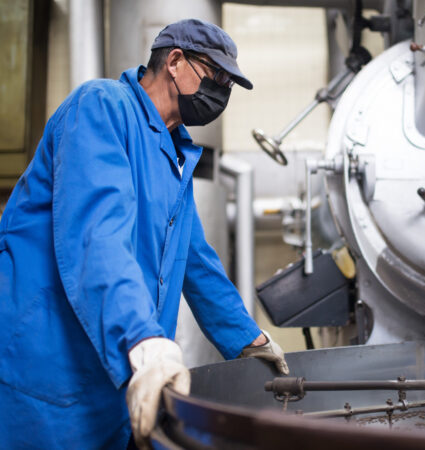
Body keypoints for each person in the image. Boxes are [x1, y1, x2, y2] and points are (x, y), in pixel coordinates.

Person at [0, 18, 288, 449]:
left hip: (116, 379)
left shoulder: (174, 153)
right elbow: (97, 235)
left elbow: (196, 261)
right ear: (175, 61)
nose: (222, 93)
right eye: (217, 76)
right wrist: (143, 339)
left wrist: (250, 341)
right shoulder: (101, 107)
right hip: (47, 375)